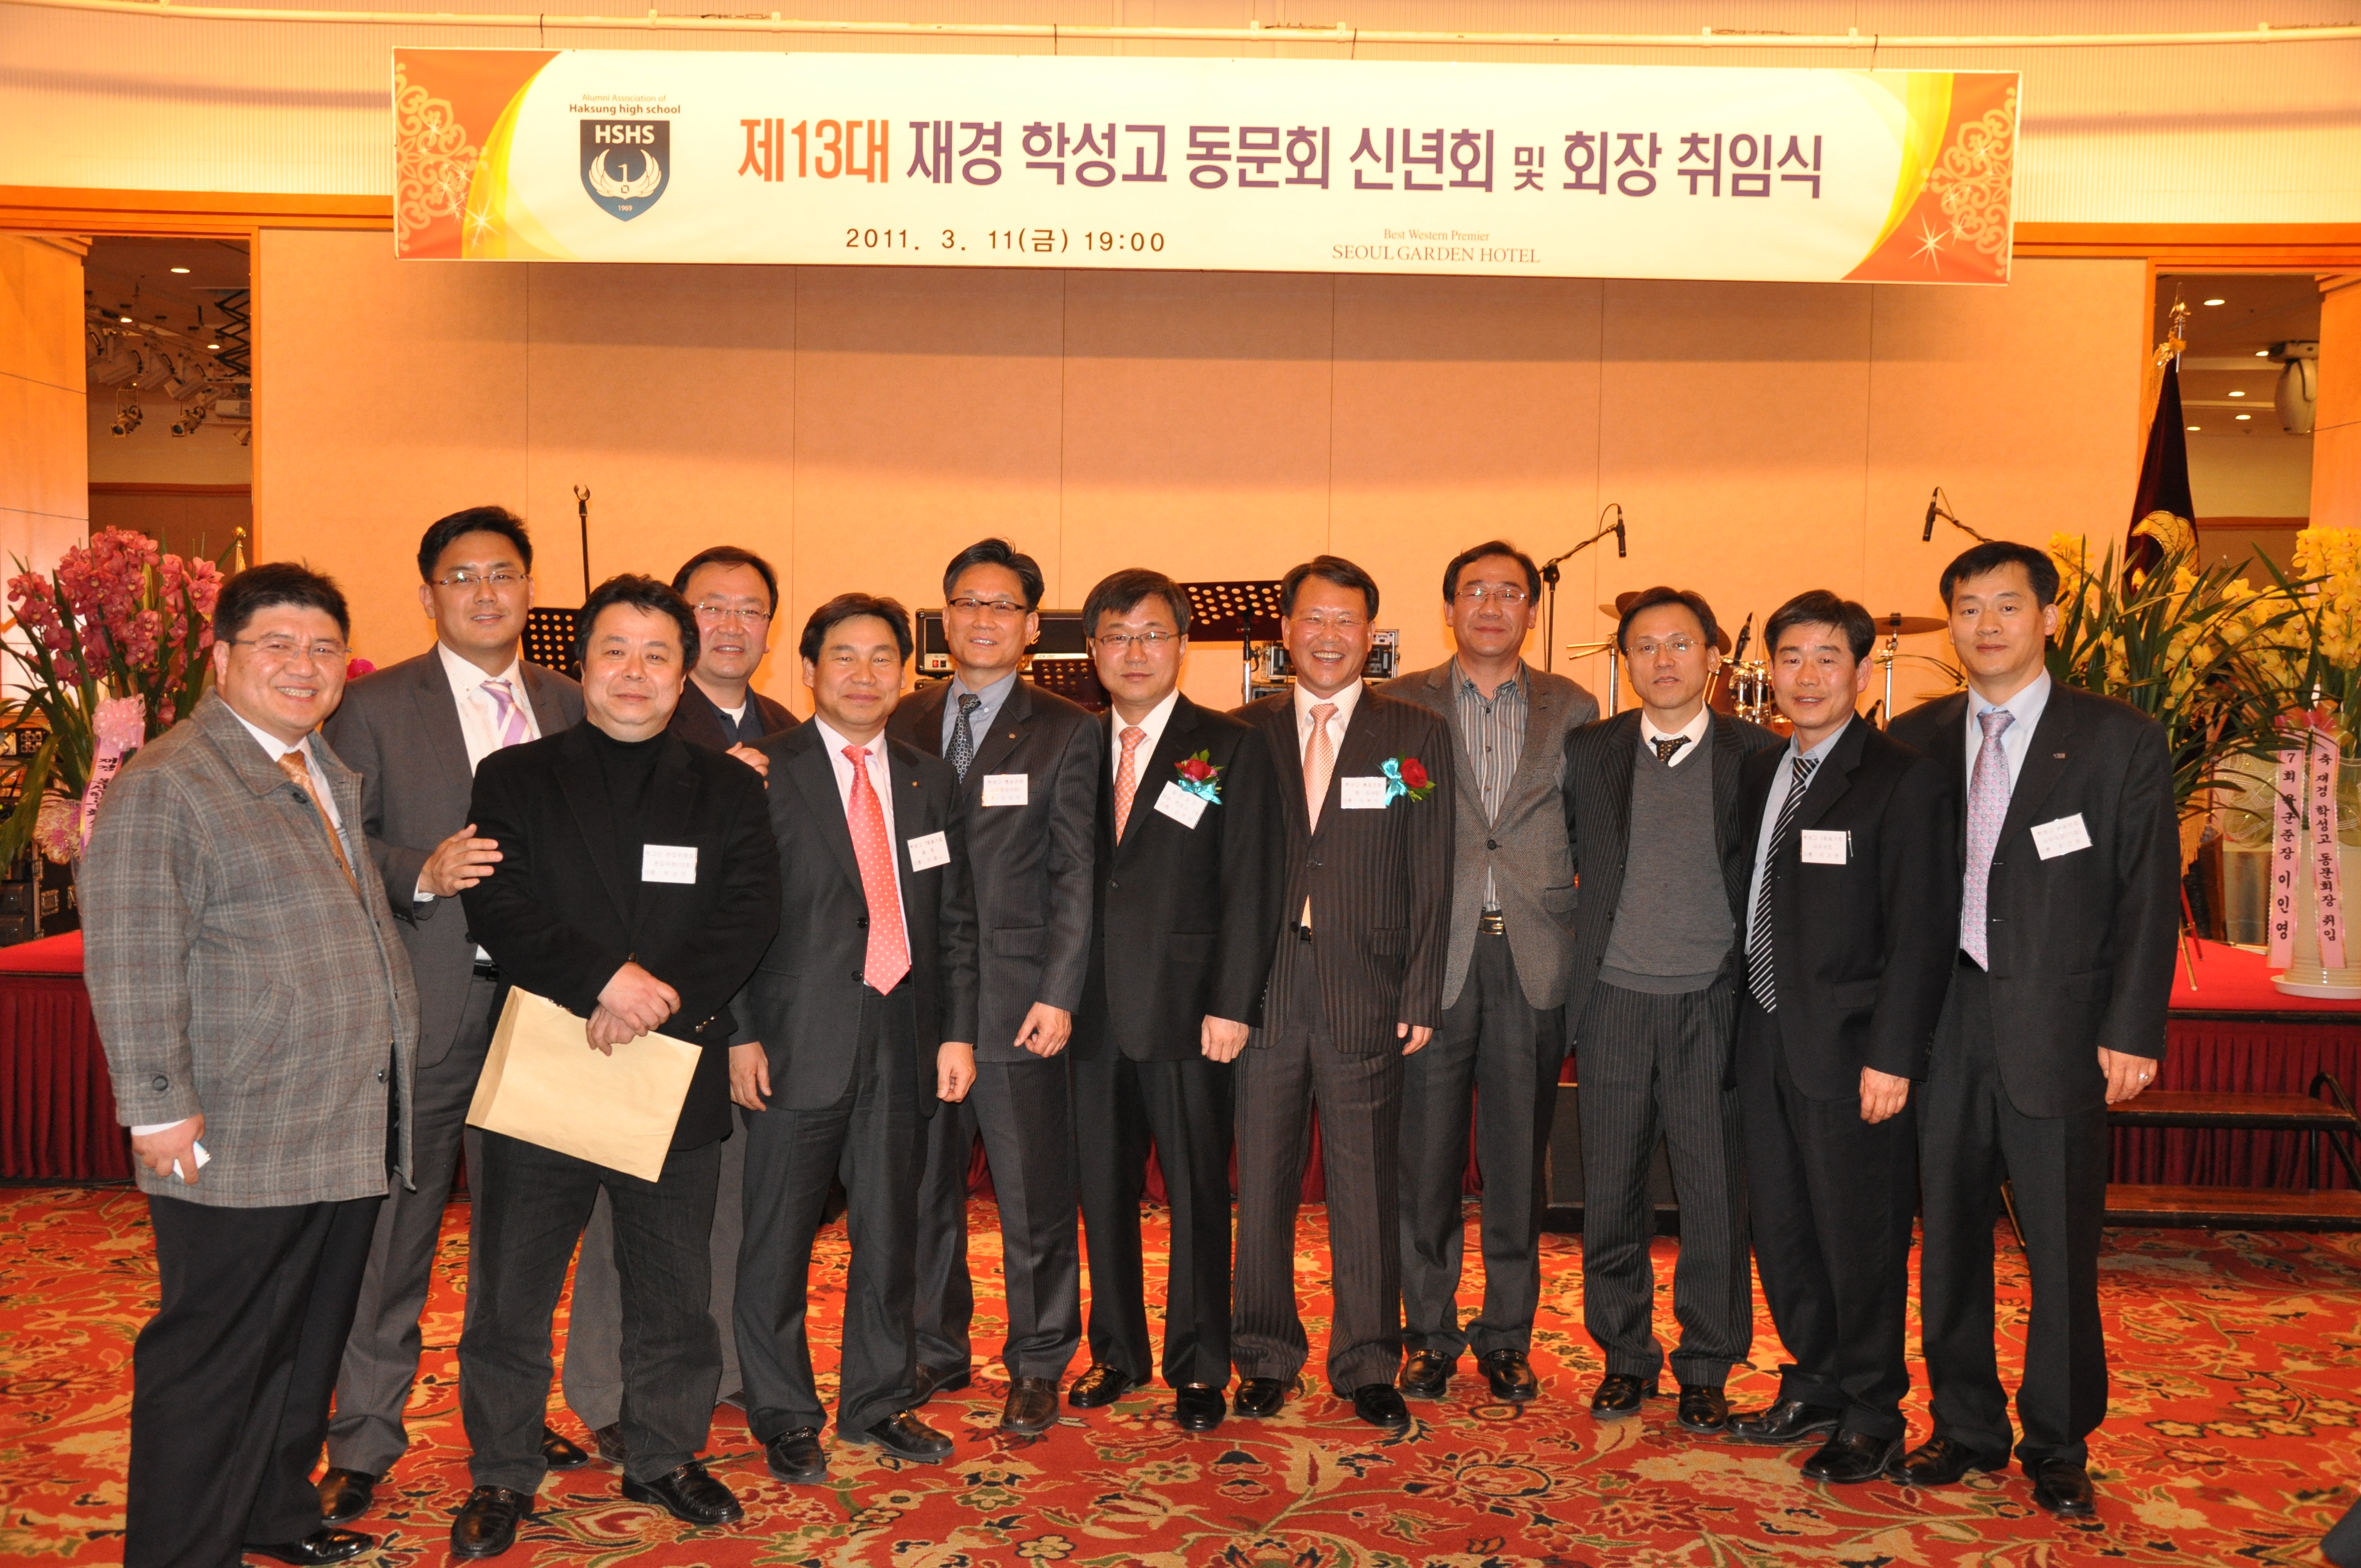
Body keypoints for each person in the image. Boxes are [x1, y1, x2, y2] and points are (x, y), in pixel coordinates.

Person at [85, 562, 421, 1568]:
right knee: (214, 1355)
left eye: (324, 648)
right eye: (277, 644)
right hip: (237, 1126)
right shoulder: (172, 782)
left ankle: (274, 1514)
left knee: (303, 1344)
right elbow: (132, 953)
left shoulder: (318, 765)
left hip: (342, 1116)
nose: (303, 665)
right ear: (223, 657)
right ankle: (181, 1551)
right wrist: (158, 1108)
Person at [450, 575, 779, 1558]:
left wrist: (655, 998)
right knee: (510, 1294)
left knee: (674, 1291)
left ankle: (664, 1454)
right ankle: (503, 1469)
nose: (635, 673)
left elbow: (750, 913)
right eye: (615, 651)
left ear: (683, 674)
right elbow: (498, 905)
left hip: (671, 1069)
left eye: (657, 655)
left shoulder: (728, 787)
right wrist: (605, 981)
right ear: (582, 664)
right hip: (547, 1059)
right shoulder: (514, 777)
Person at [1888, 541, 2176, 1516]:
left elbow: (2147, 893)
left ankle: (2059, 1440)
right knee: (1950, 1241)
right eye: (1969, 608)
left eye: (2008, 606)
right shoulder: (1916, 736)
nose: (1988, 626)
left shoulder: (2117, 737)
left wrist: (2133, 1028)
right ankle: (1964, 1425)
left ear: (2049, 618)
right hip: (1944, 1022)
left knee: (2059, 1248)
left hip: (2062, 1025)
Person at [316, 506, 587, 1527]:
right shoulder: (374, 705)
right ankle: (364, 1438)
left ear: (530, 590)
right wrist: (418, 871)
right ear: (428, 593)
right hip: (429, 1002)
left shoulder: (573, 702)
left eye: (503, 574)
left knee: (524, 1242)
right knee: (396, 1236)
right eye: (462, 577)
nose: (485, 593)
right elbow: (336, 836)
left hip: (547, 1012)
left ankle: (509, 1421)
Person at [729, 593, 981, 1485]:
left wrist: (957, 1034)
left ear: (904, 674)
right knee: (777, 1240)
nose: (865, 674)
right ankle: (784, 1411)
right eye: (844, 656)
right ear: (807, 669)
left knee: (889, 1234)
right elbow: (733, 915)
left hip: (904, 1033)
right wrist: (740, 1033)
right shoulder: (766, 771)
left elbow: (954, 917)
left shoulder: (927, 779)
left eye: (883, 658)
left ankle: (877, 1400)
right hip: (794, 1038)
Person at [563, 543, 798, 1468]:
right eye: (713, 606)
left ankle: (721, 1368)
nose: (733, 625)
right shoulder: (641, 718)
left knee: (727, 1208)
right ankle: (605, 1389)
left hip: (746, 1011)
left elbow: (769, 900)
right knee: (620, 1220)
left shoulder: (787, 727)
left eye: (752, 609)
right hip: (637, 1015)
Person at [1730, 591, 1954, 1483]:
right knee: (1783, 1230)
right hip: (1763, 1037)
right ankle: (1815, 1381)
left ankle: (1872, 1411)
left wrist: (1894, 1054)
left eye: (1828, 658)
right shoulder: (1761, 771)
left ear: (1861, 672)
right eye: (1791, 658)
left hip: (1856, 1051)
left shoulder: (1902, 777)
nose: (1808, 676)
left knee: (1860, 1240)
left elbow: (1922, 929)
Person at [1231, 554, 1454, 1433]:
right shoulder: (1241, 732)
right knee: (1263, 1184)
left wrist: (1421, 990)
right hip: (1264, 993)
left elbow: (1432, 870)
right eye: (1313, 620)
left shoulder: (1414, 734)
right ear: (1285, 632)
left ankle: (1367, 1360)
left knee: (1368, 1187)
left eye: (1347, 622)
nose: (1329, 636)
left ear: (1373, 635)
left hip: (1369, 989)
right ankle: (1263, 1353)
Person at [886, 539, 1099, 1434]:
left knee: (1032, 1194)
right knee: (923, 1190)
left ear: (1031, 626)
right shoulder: (898, 716)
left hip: (1020, 1002)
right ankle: (934, 1348)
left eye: (1003, 606)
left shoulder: (1067, 728)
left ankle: (1039, 1358)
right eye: (967, 603)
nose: (983, 619)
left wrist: (1060, 991)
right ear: (943, 617)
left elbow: (1076, 873)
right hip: (916, 998)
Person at [1379, 541, 1597, 1407]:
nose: (1493, 606)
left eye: (1511, 592)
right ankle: (1428, 1336)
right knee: (1424, 1164)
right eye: (1475, 591)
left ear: (1531, 611)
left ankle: (1507, 1336)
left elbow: (1591, 826)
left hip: (1534, 956)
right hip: (1434, 956)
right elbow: (1390, 819)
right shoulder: (1401, 703)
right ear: (1448, 608)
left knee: (1517, 1167)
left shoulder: (1573, 706)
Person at [1068, 568, 1283, 1434]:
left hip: (1192, 1011)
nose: (1135, 652)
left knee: (1197, 1193)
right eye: (1117, 636)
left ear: (1183, 645)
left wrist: (1234, 1003)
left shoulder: (1228, 745)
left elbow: (1252, 884)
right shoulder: (1072, 745)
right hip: (1087, 1013)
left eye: (1152, 634)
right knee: (1102, 1192)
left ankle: (1199, 1365)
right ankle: (1116, 1353)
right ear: (1093, 650)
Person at [1560, 586, 1780, 1432]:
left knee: (1714, 1197)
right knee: (1610, 1193)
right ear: (1625, 662)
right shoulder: (1592, 751)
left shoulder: (1758, 754)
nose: (1663, 660)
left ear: (1715, 657)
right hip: (1614, 1000)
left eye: (1681, 644)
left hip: (1713, 1005)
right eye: (1645, 646)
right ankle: (1624, 1356)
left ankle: (1707, 1365)